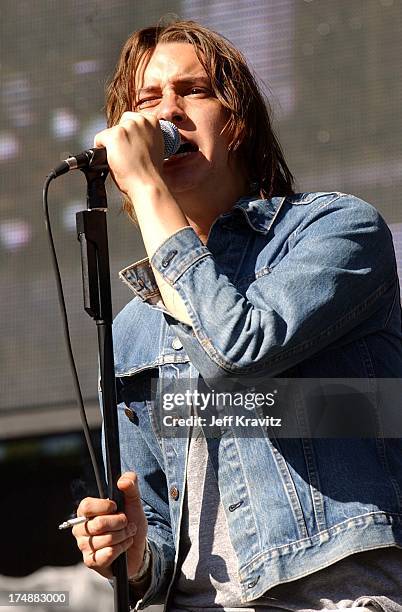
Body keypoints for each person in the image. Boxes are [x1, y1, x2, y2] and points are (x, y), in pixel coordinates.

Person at [72, 20, 402, 612]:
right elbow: (157, 529)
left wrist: (149, 188)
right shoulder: (133, 330)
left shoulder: (337, 230)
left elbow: (239, 352)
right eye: (147, 102)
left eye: (191, 91)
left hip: (332, 596)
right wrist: (133, 551)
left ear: (238, 121)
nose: (166, 114)